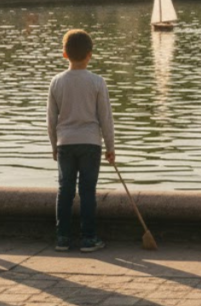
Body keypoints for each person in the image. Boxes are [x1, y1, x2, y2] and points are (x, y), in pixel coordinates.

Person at [47, 29, 115, 253]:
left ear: (64, 54)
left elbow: (51, 119)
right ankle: (88, 238)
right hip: (90, 143)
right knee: (87, 191)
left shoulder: (56, 82)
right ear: (90, 55)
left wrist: (54, 145)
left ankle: (62, 237)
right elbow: (105, 118)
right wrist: (110, 147)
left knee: (64, 190)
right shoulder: (97, 82)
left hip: (65, 142)